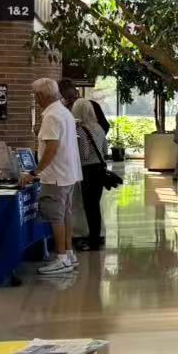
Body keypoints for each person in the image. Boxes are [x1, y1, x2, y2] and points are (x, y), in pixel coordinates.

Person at [21, 77, 80, 275]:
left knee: (56, 217)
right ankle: (69, 254)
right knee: (66, 214)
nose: (34, 99)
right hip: (68, 174)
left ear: (40, 95)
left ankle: (62, 258)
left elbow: (51, 149)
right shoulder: (64, 112)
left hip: (55, 175)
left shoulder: (51, 116)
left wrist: (33, 173)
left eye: (34, 95)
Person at [67, 80, 113, 251]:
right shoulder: (99, 128)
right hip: (100, 170)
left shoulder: (79, 130)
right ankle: (97, 236)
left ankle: (92, 239)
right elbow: (105, 149)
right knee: (95, 204)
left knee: (88, 205)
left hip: (87, 171)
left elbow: (84, 154)